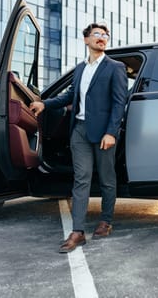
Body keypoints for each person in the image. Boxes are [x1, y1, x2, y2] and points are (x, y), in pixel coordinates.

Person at [29, 22, 128, 253]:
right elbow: (69, 96)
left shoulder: (115, 67)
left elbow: (118, 102)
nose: (102, 38)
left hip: (104, 133)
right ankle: (78, 232)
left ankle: (106, 221)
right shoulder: (81, 69)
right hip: (80, 132)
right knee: (81, 179)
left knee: (106, 178)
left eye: (105, 35)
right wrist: (44, 104)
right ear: (86, 40)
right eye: (97, 34)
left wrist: (111, 132)